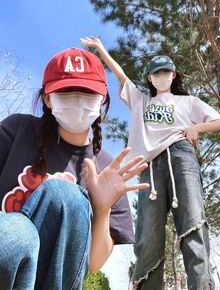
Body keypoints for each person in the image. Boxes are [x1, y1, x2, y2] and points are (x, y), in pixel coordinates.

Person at [80, 36, 220, 290]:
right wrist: (101, 49)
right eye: (156, 73)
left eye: (166, 72)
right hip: (149, 165)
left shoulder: (188, 102)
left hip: (180, 156)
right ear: (150, 78)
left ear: (173, 75)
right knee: (148, 238)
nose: (161, 76)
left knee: (193, 224)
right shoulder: (141, 100)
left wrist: (197, 128)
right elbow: (120, 75)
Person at [0, 47, 149, 290]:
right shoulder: (18, 130)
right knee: (18, 233)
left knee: (65, 196)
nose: (78, 100)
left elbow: (91, 264)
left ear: (102, 99)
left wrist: (101, 210)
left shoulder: (107, 170)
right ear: (48, 98)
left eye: (88, 93)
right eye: (66, 92)